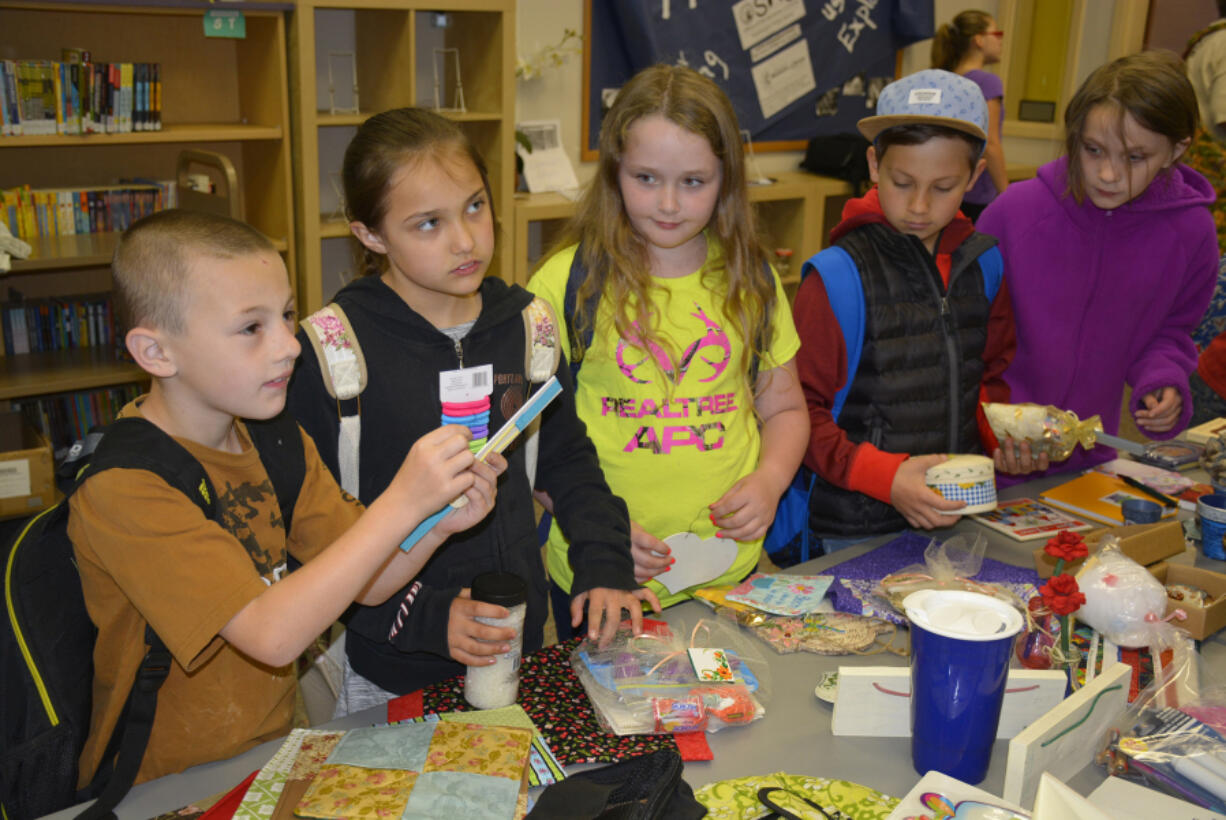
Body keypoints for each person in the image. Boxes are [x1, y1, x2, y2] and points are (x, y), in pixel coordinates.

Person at [69, 209, 505, 785]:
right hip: (161, 782)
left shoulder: (272, 437)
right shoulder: (125, 489)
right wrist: (402, 503)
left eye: (287, 314)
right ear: (156, 353)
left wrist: (437, 520)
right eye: (251, 328)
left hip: (266, 753)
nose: (289, 345)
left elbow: (370, 581)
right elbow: (271, 636)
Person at [287, 108, 656, 712]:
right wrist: (429, 619)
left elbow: (567, 461)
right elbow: (312, 537)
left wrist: (604, 562)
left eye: (476, 206)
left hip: (518, 647)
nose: (465, 240)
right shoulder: (330, 353)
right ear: (370, 236)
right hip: (391, 665)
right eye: (428, 223)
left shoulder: (530, 326)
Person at [528, 65, 808, 630]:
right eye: (647, 178)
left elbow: (786, 408)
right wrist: (595, 529)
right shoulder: (564, 283)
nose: (670, 204)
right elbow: (527, 445)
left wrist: (771, 479)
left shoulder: (751, 278)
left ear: (726, 179)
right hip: (605, 574)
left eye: (694, 182)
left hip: (728, 575)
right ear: (614, 172)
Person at [793, 69, 1016, 545]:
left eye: (942, 187)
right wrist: (885, 478)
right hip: (851, 524)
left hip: (956, 513)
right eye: (902, 181)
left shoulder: (986, 263)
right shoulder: (834, 277)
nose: (918, 205)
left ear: (975, 177)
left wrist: (1002, 439)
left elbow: (991, 376)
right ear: (874, 165)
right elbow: (795, 413)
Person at [980, 51, 1217, 478]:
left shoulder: (1192, 231)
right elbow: (963, 333)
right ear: (1074, 137)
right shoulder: (1014, 213)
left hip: (1089, 461)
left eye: (1134, 158)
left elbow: (1171, 330)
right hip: (994, 448)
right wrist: (982, 425)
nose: (1108, 174)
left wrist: (1163, 379)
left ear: (1175, 150)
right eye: (1093, 150)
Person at [931, 9, 1008, 221]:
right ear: (979, 40)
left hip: (946, 188)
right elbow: (990, 144)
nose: (1001, 41)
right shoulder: (987, 82)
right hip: (977, 193)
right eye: (996, 34)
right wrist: (1007, 195)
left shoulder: (943, 80)